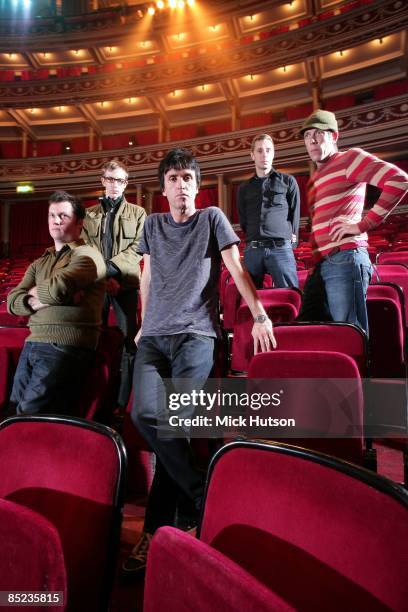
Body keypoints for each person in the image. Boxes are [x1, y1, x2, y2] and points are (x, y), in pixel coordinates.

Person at [122, 148, 276, 576]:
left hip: (195, 335)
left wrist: (259, 313)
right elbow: (147, 275)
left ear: (197, 184)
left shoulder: (212, 219)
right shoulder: (152, 225)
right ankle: (203, 495)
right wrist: (142, 322)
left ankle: (157, 530)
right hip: (154, 336)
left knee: (174, 423)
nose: (181, 185)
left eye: (188, 178)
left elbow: (235, 267)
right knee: (142, 413)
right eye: (173, 178)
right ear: (163, 187)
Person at [298, 109, 408, 334]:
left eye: (318, 134)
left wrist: (362, 225)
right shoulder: (316, 177)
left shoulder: (349, 159)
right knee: (313, 331)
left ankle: (359, 370)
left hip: (345, 259)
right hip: (322, 265)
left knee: (349, 333)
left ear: (334, 136)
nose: (311, 140)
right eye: (307, 136)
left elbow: (399, 180)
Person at [7, 191, 106, 416]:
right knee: (12, 412)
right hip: (32, 342)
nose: (56, 220)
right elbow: (13, 301)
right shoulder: (39, 262)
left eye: (63, 215)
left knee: (29, 414)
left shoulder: (88, 255)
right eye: (52, 215)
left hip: (65, 346)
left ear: (80, 223)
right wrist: (55, 298)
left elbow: (58, 288)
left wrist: (36, 296)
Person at [82, 160, 146, 411]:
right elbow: (84, 248)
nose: (115, 185)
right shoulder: (89, 214)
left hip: (126, 285)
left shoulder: (138, 213)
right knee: (93, 339)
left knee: (129, 342)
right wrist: (102, 275)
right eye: (110, 179)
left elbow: (138, 248)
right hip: (97, 285)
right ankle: (97, 396)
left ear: (126, 184)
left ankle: (123, 401)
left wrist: (112, 271)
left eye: (120, 180)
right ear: (102, 181)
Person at [237, 133, 300, 288]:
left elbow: (295, 215)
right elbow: (243, 220)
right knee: (250, 302)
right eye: (259, 151)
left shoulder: (288, 181)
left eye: (268, 150)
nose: (264, 154)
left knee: (290, 296)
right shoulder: (243, 188)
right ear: (252, 155)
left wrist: (290, 243)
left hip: (281, 249)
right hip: (252, 250)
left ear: (273, 153)